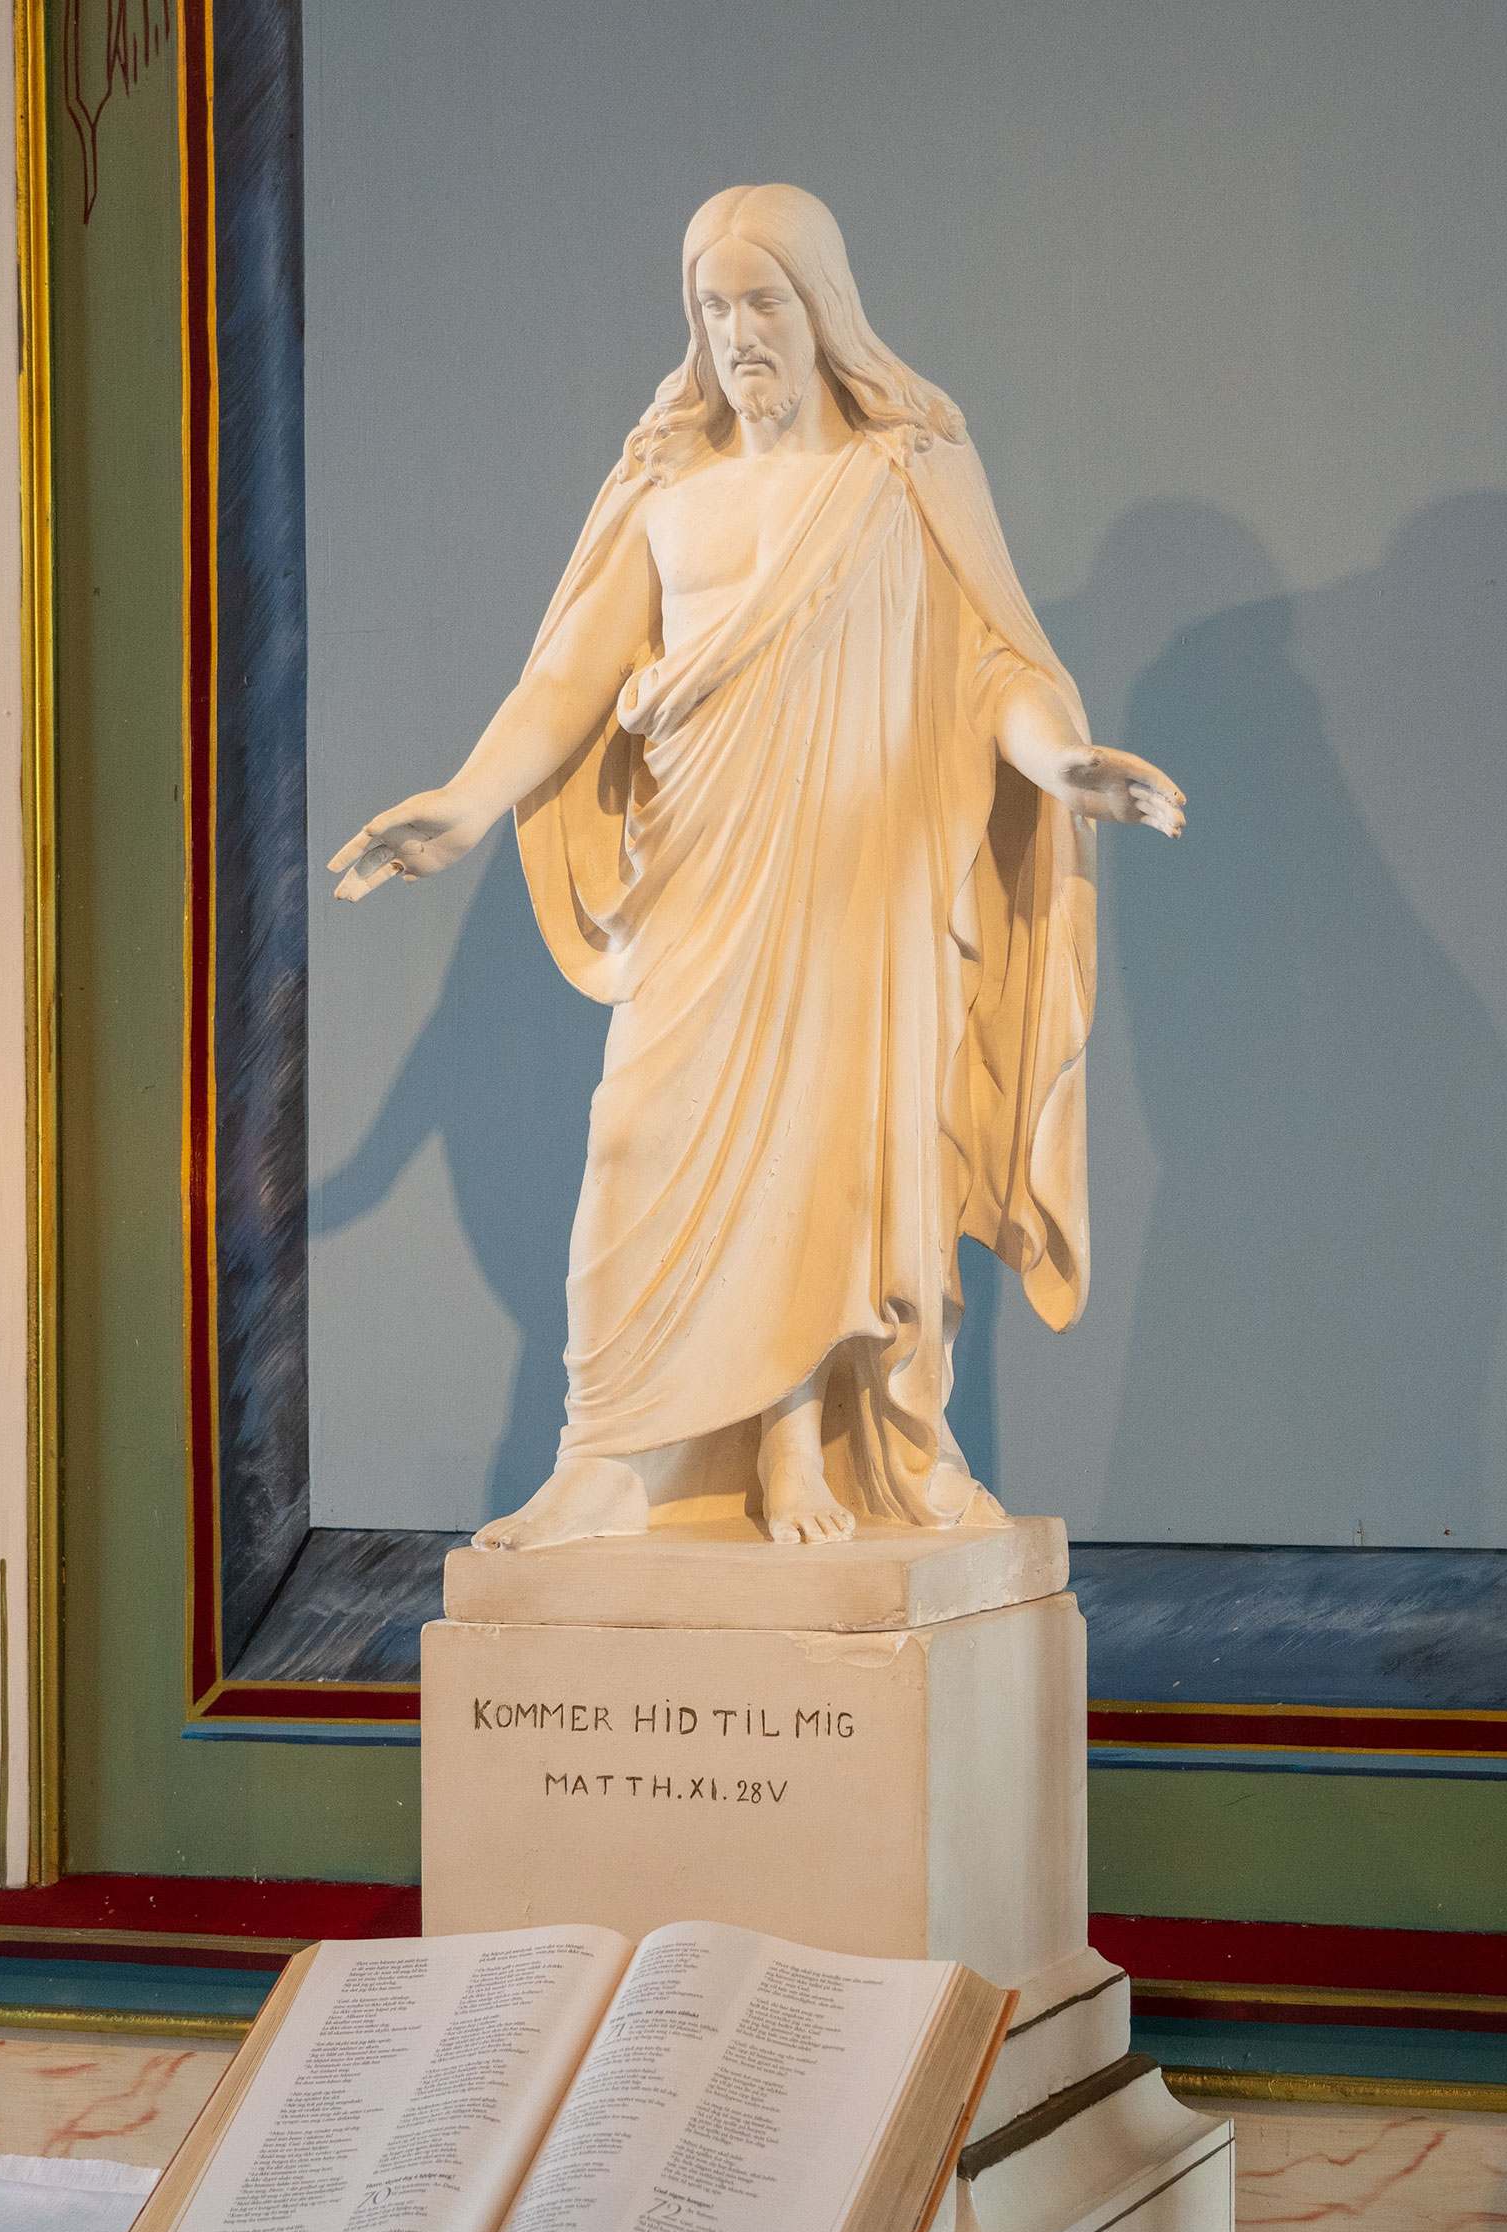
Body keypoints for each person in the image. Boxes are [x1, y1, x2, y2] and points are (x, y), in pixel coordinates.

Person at [334, 183, 1184, 1551]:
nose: (739, 335)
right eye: (713, 308)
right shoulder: (669, 489)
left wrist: (1065, 763)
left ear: (824, 310)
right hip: (703, 890)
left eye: (764, 303)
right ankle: (606, 1458)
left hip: (862, 898)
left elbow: (996, 666)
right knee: (637, 1140)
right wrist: (467, 800)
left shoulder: (905, 474)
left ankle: (802, 1450)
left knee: (835, 1160)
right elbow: (568, 673)